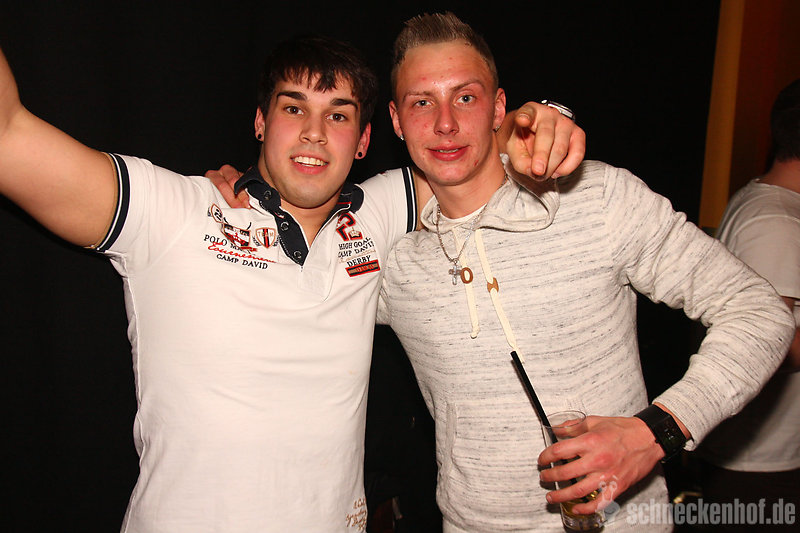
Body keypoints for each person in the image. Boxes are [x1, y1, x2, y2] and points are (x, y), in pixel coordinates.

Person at [0, 30, 583, 532]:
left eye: (338, 114)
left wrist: (544, 115)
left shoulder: (376, 216)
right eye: (293, 108)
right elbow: (9, 136)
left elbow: (473, 150)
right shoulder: (171, 212)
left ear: (364, 141)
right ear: (261, 122)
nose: (313, 133)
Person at [375, 12, 795, 532]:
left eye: (465, 97)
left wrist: (655, 433)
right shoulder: (393, 264)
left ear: (499, 108)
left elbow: (760, 312)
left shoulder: (597, 199)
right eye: (422, 102)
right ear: (396, 120)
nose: (445, 123)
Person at [695, 78, 800, 531]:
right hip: (760, 465)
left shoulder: (770, 202)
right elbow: (769, 344)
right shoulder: (775, 220)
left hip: (760, 460)